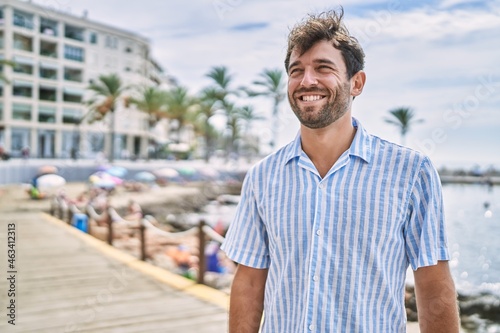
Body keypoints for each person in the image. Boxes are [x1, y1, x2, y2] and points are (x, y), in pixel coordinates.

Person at [221, 8, 459, 333]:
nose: (307, 81)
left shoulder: (411, 172)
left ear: (356, 82)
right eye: (296, 70)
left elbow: (433, 283)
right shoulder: (263, 177)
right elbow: (248, 282)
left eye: (323, 68)